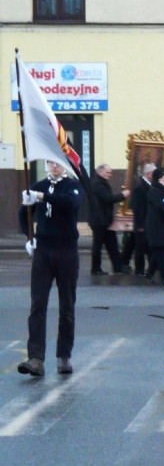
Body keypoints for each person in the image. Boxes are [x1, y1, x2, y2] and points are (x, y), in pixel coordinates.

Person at [17, 160, 83, 377]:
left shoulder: (72, 185)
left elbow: (70, 204)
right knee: (37, 304)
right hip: (44, 251)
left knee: (67, 305)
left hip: (66, 251)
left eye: (58, 163)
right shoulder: (38, 185)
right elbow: (23, 214)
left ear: (64, 165)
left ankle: (64, 355)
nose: (54, 166)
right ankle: (36, 358)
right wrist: (30, 237)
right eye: (50, 163)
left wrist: (41, 197)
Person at [89, 163, 130, 275]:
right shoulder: (97, 184)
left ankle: (118, 266)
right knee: (97, 245)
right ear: (100, 172)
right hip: (99, 220)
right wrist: (122, 195)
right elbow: (108, 198)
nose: (110, 174)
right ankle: (95, 268)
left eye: (110, 172)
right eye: (108, 172)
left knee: (112, 244)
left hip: (104, 219)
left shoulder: (101, 182)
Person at [145, 167, 164, 286]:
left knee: (159, 251)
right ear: (160, 178)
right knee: (162, 251)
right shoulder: (154, 190)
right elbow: (162, 206)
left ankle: (150, 273)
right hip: (157, 226)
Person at [125, 162, 155, 276]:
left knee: (149, 247)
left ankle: (152, 268)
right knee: (140, 248)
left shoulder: (149, 185)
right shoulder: (139, 186)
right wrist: (140, 225)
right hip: (142, 223)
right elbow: (137, 208)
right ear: (149, 174)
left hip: (148, 222)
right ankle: (139, 270)